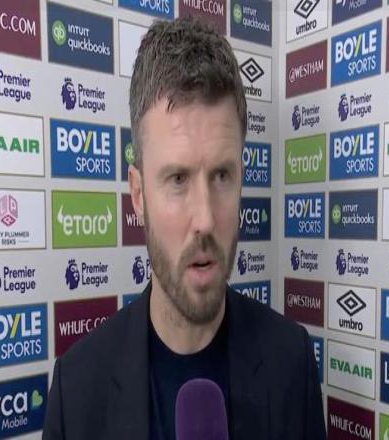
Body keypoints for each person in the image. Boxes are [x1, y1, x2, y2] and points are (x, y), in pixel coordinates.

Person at [42, 17, 326, 440]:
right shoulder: (78, 388)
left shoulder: (292, 362)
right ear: (138, 194)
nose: (206, 219)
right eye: (178, 179)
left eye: (222, 176)